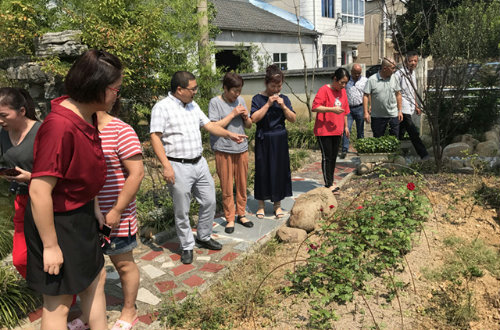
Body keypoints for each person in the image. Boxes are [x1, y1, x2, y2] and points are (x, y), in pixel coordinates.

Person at [24, 49, 121, 330]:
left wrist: (94, 206)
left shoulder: (87, 116)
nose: (117, 95)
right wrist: (51, 246)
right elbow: (39, 191)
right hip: (56, 223)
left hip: (80, 215)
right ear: (96, 88)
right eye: (115, 89)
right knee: (59, 302)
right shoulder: (59, 127)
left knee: (95, 279)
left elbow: (79, 174)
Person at [150, 71, 247, 265]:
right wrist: (166, 165)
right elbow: (155, 137)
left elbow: (209, 125)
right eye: (193, 89)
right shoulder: (162, 108)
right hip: (178, 165)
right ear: (179, 89)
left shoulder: (193, 106)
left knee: (209, 201)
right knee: (182, 210)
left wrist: (229, 135)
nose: (196, 92)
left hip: (199, 163)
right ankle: (186, 245)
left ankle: (203, 236)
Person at [94, 100, 144, 329]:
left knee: (123, 264)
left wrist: (116, 210)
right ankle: (91, 314)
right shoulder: (81, 129)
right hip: (87, 214)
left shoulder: (121, 130)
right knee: (91, 268)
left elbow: (136, 174)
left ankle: (129, 310)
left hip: (116, 215)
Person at [0, 87, 40, 278]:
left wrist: (30, 177)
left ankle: (62, 300)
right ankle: (43, 292)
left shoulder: (42, 132)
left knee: (49, 254)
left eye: (4, 115)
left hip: (46, 200)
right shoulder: (3, 135)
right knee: (21, 259)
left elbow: (61, 174)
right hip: (21, 200)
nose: (0, 120)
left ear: (22, 111)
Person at [208, 72, 253, 234]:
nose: (237, 94)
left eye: (239, 90)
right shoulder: (215, 102)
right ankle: (230, 218)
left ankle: (242, 214)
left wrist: (246, 117)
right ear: (225, 88)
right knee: (226, 186)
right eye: (234, 91)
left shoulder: (240, 100)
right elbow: (214, 126)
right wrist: (233, 114)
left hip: (242, 149)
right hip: (223, 149)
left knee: (242, 183)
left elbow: (248, 125)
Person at [251, 64, 296, 219]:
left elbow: (293, 118)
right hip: (264, 138)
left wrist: (283, 106)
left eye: (279, 85)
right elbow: (254, 119)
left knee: (279, 171)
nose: (276, 89)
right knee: (263, 170)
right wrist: (268, 104)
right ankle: (261, 205)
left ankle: (277, 205)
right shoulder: (257, 98)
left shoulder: (285, 99)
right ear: (266, 83)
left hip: (280, 139)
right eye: (273, 86)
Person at [312, 68, 351, 194]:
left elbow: (345, 111)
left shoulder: (343, 92)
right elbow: (315, 107)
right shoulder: (324, 90)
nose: (343, 85)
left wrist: (345, 126)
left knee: (333, 157)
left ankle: (331, 182)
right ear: (335, 79)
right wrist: (332, 109)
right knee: (327, 157)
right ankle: (328, 184)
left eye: (345, 83)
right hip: (324, 130)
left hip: (337, 129)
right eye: (341, 82)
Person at [395, 51, 429, 160]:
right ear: (406, 61)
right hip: (403, 107)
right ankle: (423, 154)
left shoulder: (413, 73)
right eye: (411, 61)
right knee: (412, 131)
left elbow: (412, 90)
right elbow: (396, 92)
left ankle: (393, 152)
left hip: (410, 106)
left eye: (415, 61)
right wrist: (399, 109)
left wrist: (416, 105)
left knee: (400, 131)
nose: (413, 63)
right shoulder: (399, 73)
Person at [363, 58, 403, 138]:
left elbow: (398, 94)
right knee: (378, 140)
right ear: (385, 68)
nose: (394, 70)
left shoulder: (394, 78)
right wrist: (366, 112)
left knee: (394, 140)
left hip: (393, 116)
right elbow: (366, 96)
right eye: (392, 68)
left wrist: (400, 111)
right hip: (377, 117)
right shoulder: (372, 80)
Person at [340, 63, 368, 158]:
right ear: (351, 72)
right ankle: (344, 149)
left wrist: (367, 108)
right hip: (348, 109)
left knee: (360, 130)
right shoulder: (346, 81)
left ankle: (360, 149)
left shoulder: (365, 81)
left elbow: (367, 94)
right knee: (347, 129)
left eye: (359, 73)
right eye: (355, 73)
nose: (357, 75)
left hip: (360, 107)